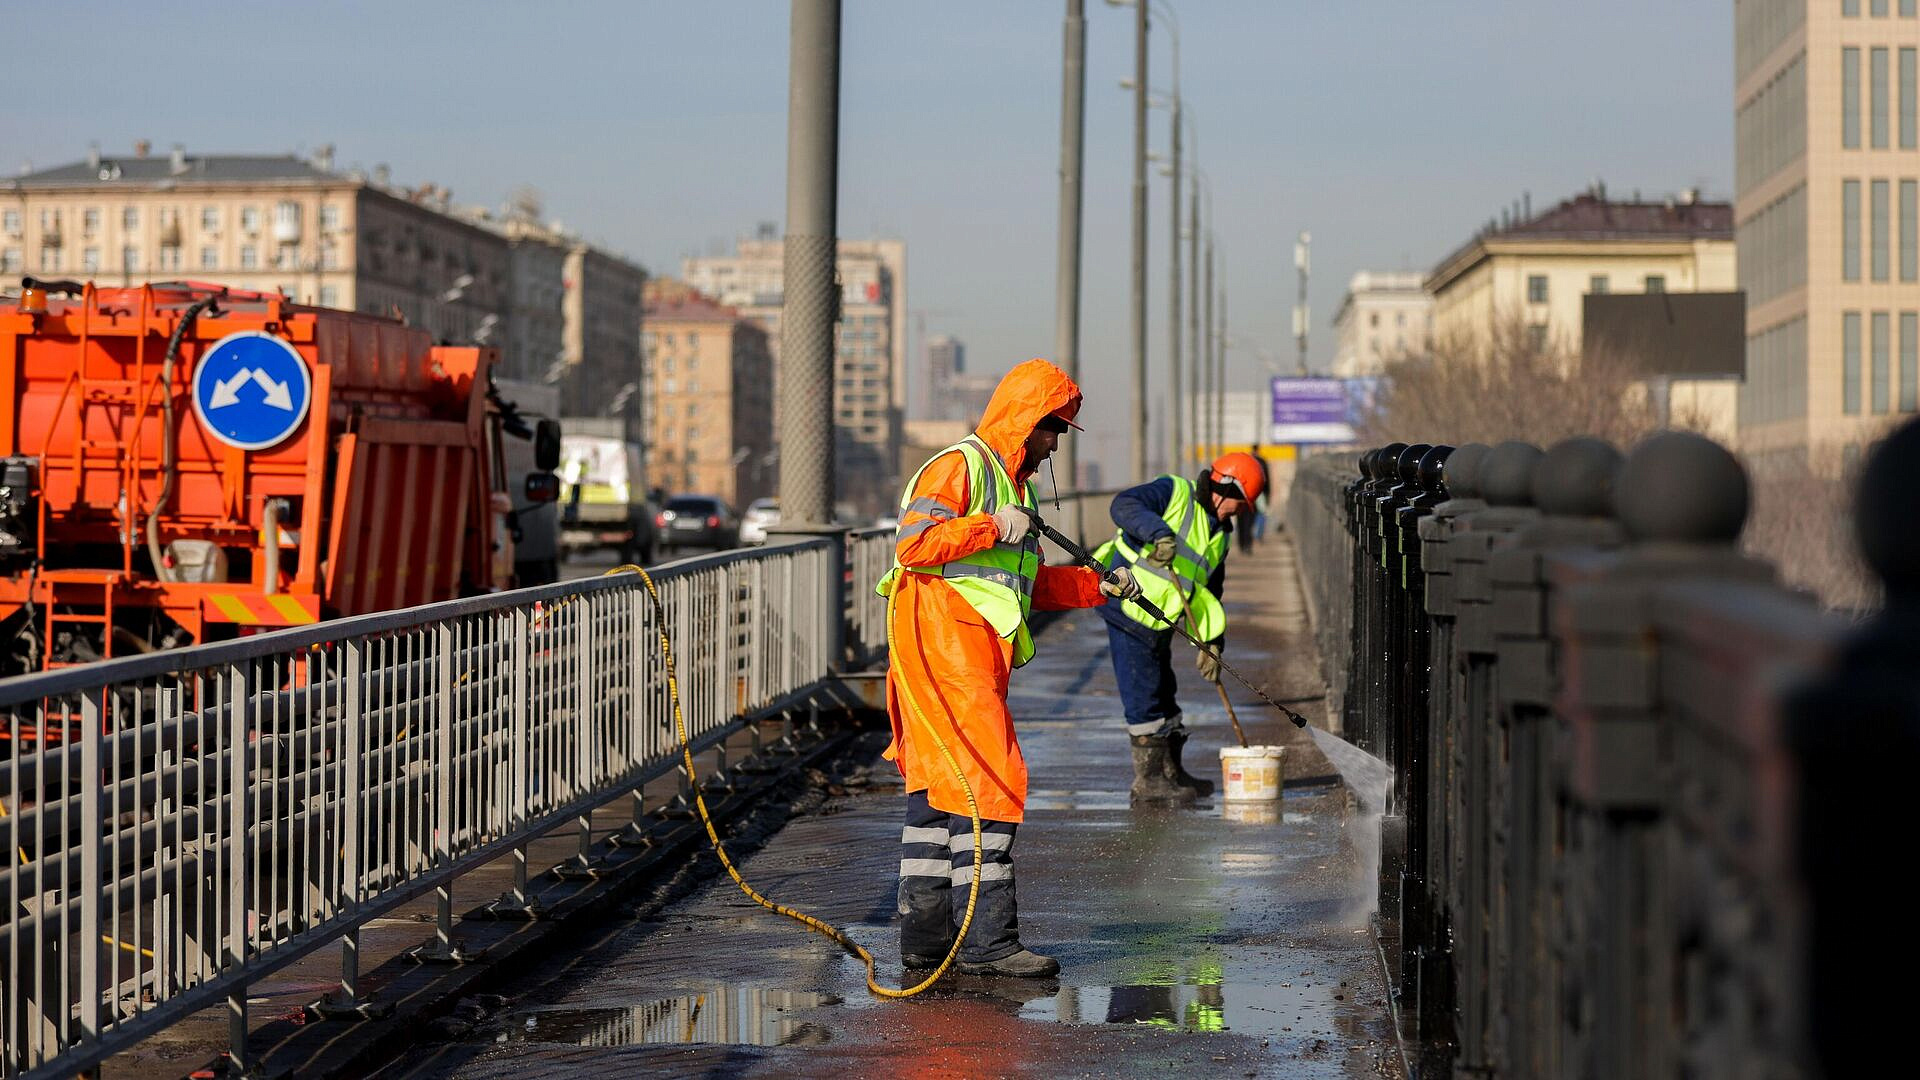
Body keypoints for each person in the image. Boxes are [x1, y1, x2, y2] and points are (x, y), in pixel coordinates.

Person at [876, 358, 1140, 979]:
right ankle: (990, 943)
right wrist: (991, 524)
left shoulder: (1014, 489)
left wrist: (1097, 586)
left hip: (963, 651)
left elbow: (1025, 583)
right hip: (943, 648)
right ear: (1027, 421)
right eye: (1054, 430)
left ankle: (926, 942)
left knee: (940, 792)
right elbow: (914, 545)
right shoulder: (959, 468)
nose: (1055, 446)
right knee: (992, 779)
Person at [1096, 452, 1267, 803]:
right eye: (1239, 504)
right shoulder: (1174, 493)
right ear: (1226, 488)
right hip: (1127, 608)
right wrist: (1159, 534)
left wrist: (1213, 642)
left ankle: (1172, 772)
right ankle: (1148, 781)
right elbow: (1123, 505)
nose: (1239, 513)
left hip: (1159, 619)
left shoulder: (1221, 536)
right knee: (1143, 694)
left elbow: (1209, 594)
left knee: (1165, 692)